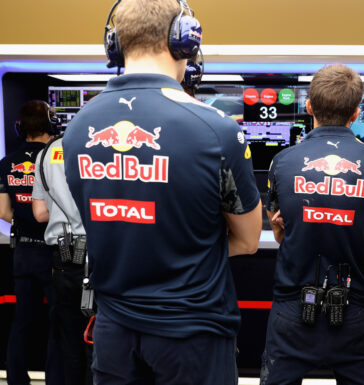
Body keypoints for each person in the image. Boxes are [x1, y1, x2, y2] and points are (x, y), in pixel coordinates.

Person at [62, 0, 262, 383]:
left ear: (115, 44)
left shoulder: (77, 129)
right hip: (192, 334)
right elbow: (250, 239)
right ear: (185, 40)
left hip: (113, 332)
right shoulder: (215, 128)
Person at [261, 63, 364, 385]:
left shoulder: (283, 162)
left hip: (292, 311)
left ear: (308, 107)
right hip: (356, 309)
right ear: (357, 113)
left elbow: (279, 233)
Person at [0, 100, 63, 385]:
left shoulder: (6, 162)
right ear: (52, 125)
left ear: (19, 127)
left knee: (22, 321)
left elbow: (3, 211)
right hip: (54, 252)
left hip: (23, 250)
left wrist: (24, 221)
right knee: (57, 323)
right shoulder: (56, 158)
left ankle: (16, 380)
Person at [32, 135, 92, 385]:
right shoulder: (107, 146)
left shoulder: (47, 153)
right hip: (104, 254)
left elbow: (40, 213)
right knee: (104, 342)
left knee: (69, 342)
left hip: (64, 259)